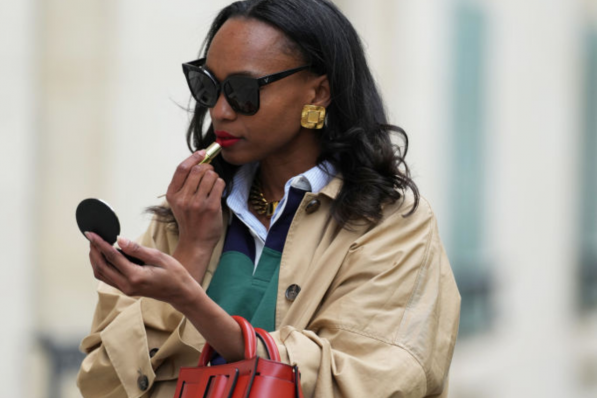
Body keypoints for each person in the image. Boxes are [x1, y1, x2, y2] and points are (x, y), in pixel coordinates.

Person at [77, 0, 461, 397]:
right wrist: (190, 255)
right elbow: (101, 384)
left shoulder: (391, 225)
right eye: (209, 86)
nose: (221, 111)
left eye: (244, 91)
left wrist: (189, 299)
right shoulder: (189, 212)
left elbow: (363, 383)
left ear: (319, 92)